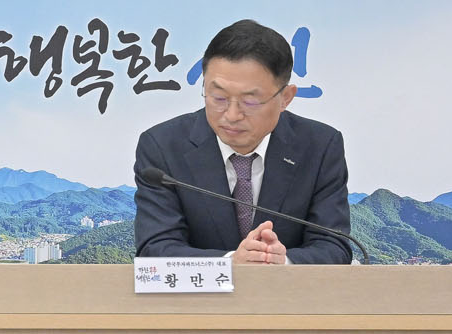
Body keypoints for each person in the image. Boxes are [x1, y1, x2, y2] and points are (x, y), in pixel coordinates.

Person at [133, 18, 352, 265]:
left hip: (286, 289)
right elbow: (155, 248)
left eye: (250, 101)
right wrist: (230, 262)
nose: (232, 115)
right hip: (198, 291)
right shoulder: (162, 146)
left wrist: (282, 263)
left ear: (286, 98)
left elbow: (334, 246)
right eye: (218, 97)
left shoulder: (320, 146)